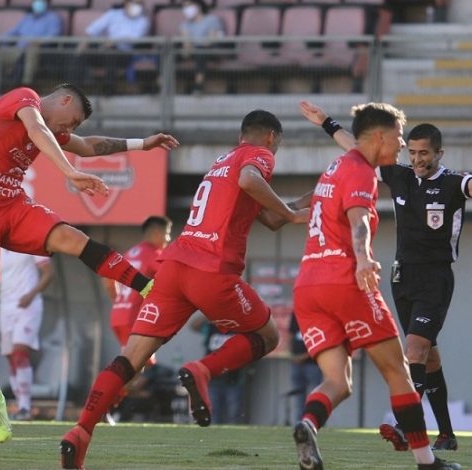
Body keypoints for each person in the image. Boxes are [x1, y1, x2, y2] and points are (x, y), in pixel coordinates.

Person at [59, 110, 310, 469]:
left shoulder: (220, 163)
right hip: (212, 271)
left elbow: (267, 217)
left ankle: (80, 432)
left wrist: (299, 204)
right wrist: (291, 214)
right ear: (270, 138)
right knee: (267, 336)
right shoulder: (259, 155)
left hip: (174, 269)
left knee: (130, 358)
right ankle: (203, 370)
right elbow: (252, 182)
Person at [0, 82, 179, 444]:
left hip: (11, 207)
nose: (68, 131)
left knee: (74, 238)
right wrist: (68, 173)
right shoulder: (26, 100)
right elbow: (38, 129)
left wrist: (141, 144)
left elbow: (88, 147)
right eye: (70, 121)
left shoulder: (56, 129)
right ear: (65, 100)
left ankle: (150, 288)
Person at [299, 101, 472, 451]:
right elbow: (357, 148)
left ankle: (406, 428)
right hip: (401, 276)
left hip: (435, 277)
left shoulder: (454, 182)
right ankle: (447, 435)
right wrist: (327, 123)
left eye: (425, 153)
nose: (418, 158)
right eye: (414, 151)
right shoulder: (400, 174)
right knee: (428, 356)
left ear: (440, 152)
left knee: (414, 349)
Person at [0, 248, 54, 421]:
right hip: (5, 308)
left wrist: (31, 294)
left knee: (20, 354)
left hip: (28, 306)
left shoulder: (29, 243)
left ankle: (25, 407)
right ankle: (20, 405)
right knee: (11, 359)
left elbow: (48, 273)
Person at [105, 216, 172, 349]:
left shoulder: (129, 254)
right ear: (157, 232)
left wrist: (118, 301)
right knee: (137, 362)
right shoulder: (154, 254)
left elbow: (108, 278)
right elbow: (172, 277)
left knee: (131, 361)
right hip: (136, 317)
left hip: (118, 315)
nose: (168, 239)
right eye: (167, 234)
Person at [73, 0, 151, 95]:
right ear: (126, 4)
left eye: (139, 4)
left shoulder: (143, 21)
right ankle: (74, 91)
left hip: (124, 54)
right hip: (105, 50)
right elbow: (93, 29)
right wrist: (84, 43)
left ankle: (108, 91)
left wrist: (114, 42)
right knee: (80, 54)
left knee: (111, 54)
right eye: (134, 3)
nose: (137, 6)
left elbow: (134, 38)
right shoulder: (113, 14)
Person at [0, 0, 63, 87]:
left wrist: (38, 41)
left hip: (38, 49)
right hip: (18, 49)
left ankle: (26, 84)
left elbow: (53, 35)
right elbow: (13, 32)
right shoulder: (27, 17)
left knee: (32, 48)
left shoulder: (52, 18)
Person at [178, 0, 225, 94]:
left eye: (188, 5)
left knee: (201, 51)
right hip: (191, 50)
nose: (186, 9)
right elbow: (186, 44)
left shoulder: (212, 19)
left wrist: (193, 44)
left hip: (208, 50)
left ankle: (198, 87)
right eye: (184, 6)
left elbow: (211, 40)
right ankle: (161, 87)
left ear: (198, 6)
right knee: (166, 52)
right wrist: (187, 47)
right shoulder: (184, 24)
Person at [288, 315, 322, 421]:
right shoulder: (296, 313)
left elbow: (320, 339)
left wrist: (303, 356)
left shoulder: (317, 315)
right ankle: (299, 423)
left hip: (312, 364)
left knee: (315, 395)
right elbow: (291, 334)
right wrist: (292, 355)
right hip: (297, 363)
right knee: (298, 397)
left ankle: (314, 421)